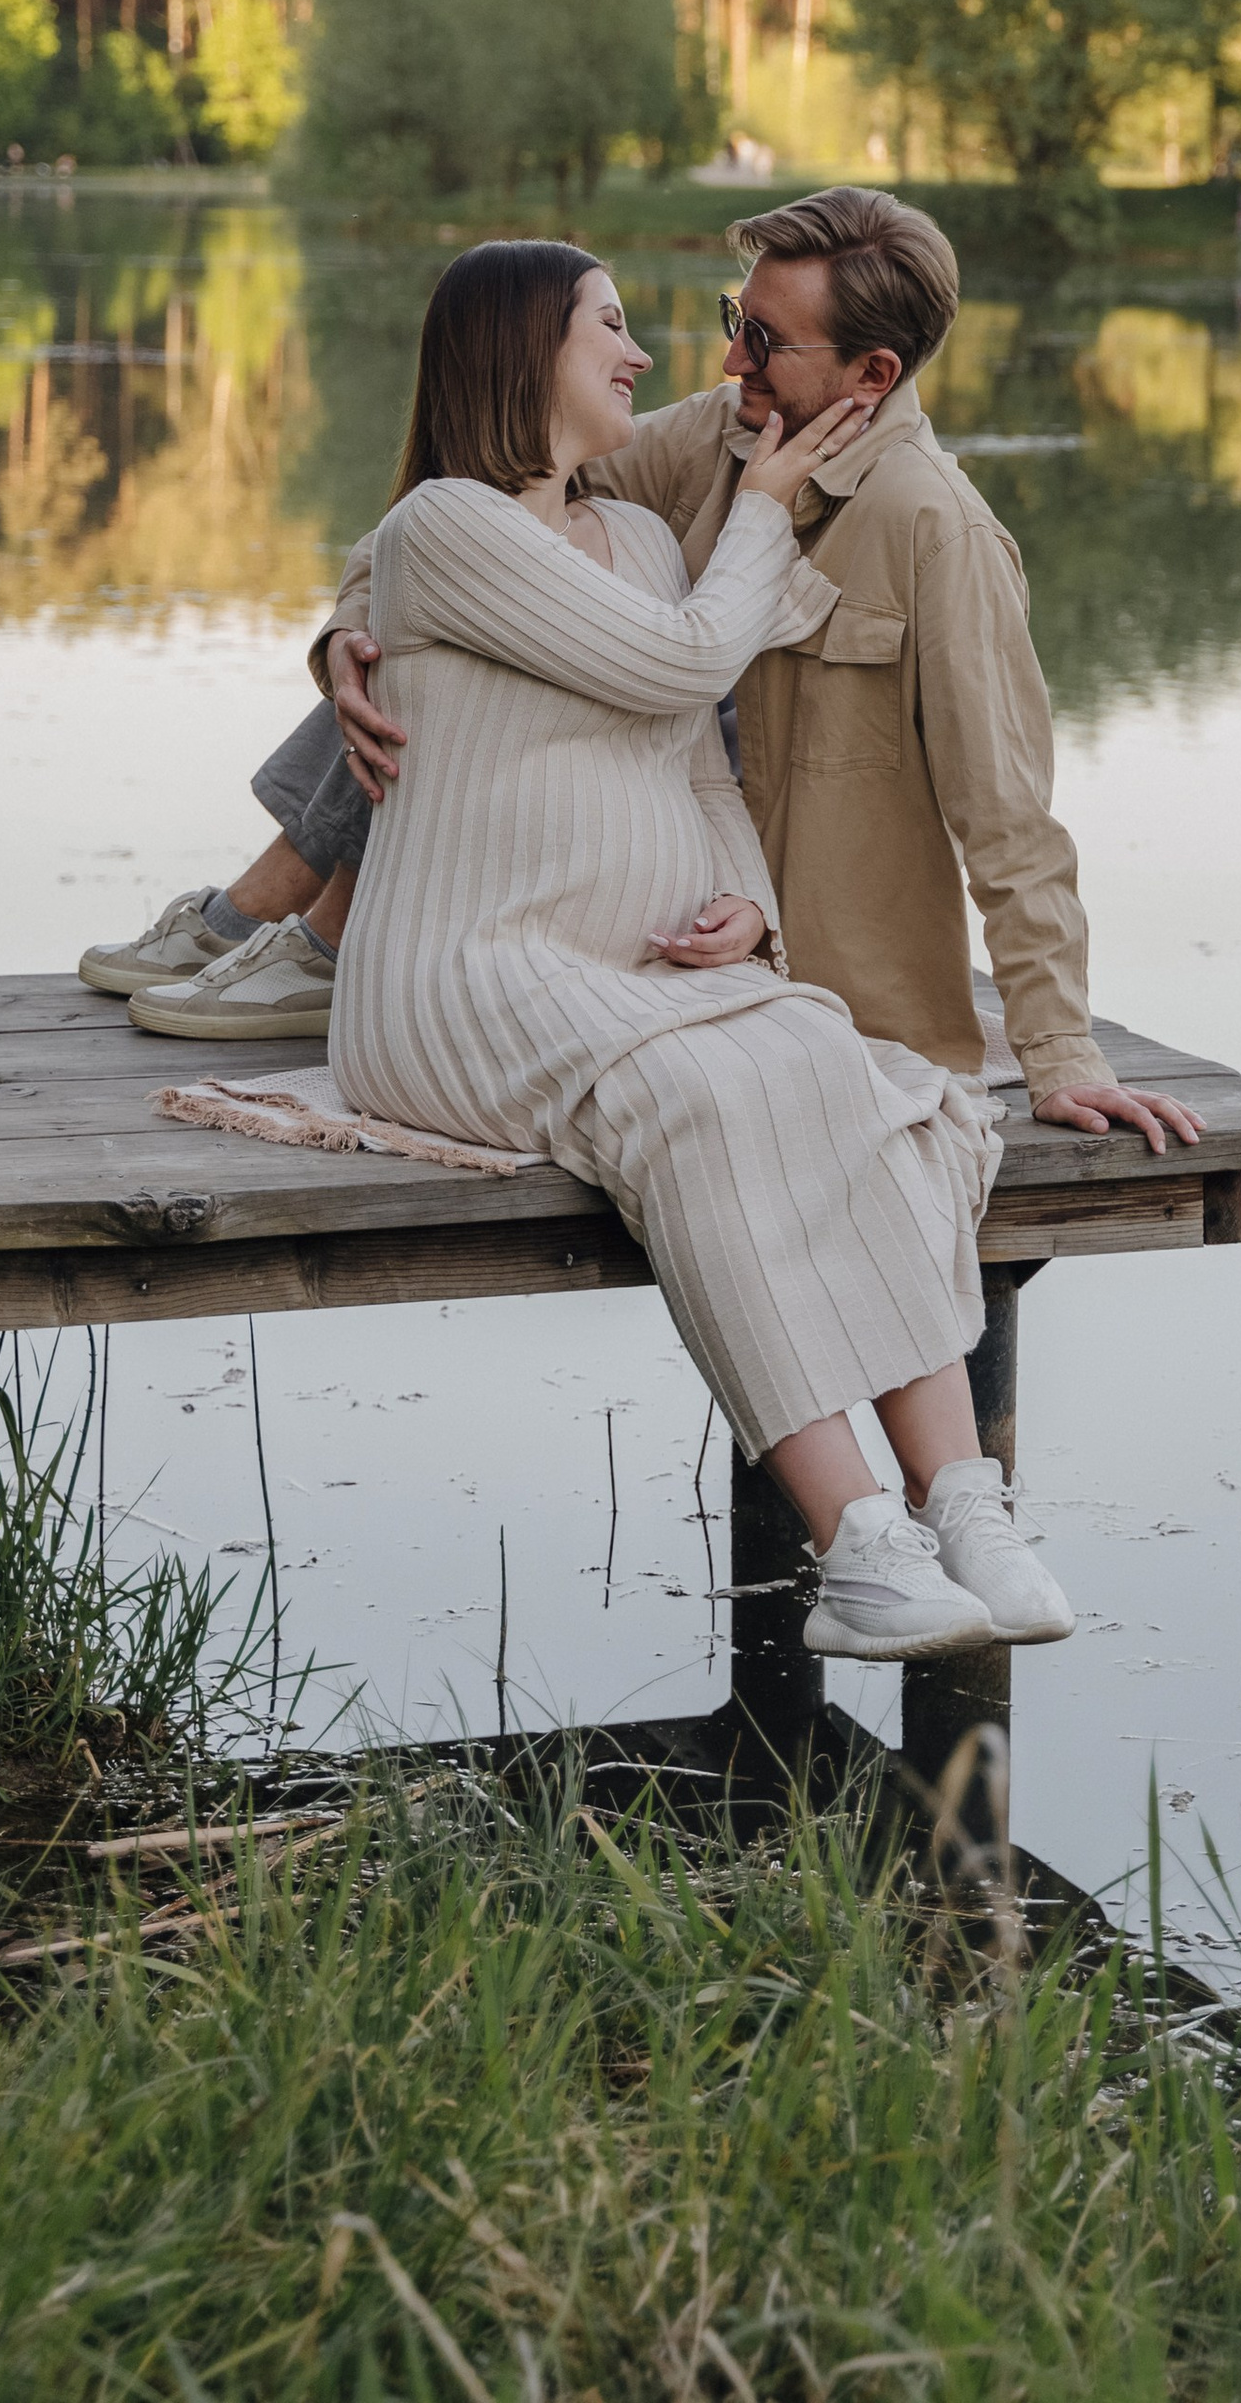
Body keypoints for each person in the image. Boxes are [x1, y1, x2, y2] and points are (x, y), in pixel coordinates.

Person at [175, 236, 1080, 1668]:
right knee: (700, 1104)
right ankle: (856, 1544)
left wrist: (749, 905)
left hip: (639, 976)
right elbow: (679, 665)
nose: (663, 357)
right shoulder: (452, 531)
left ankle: (965, 1504)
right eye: (613, 327)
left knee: (864, 1076)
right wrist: (766, 518)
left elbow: (701, 769)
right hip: (468, 977)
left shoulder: (660, 536)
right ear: (526, 352)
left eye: (745, 335)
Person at [88, 188, 1199, 1156]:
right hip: (613, 907)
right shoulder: (720, 432)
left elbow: (1010, 819)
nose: (728, 362)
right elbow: (475, 498)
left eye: (764, 341)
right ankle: (286, 926)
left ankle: (295, 931)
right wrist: (347, 633)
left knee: (550, 630)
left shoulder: (937, 533)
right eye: (735, 321)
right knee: (468, 624)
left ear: (872, 372)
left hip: (760, 959)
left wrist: (1058, 1055)